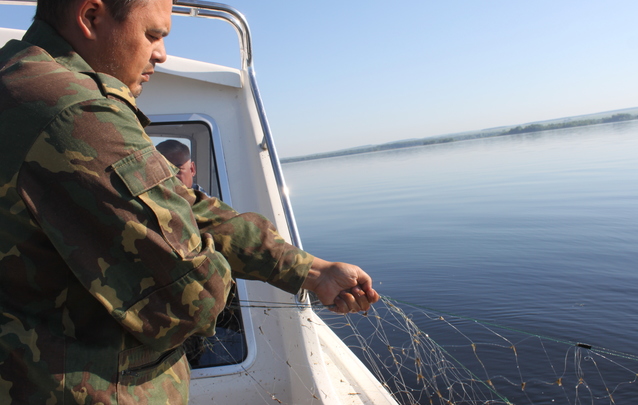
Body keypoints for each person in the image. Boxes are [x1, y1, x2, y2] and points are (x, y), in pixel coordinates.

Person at [0, 0, 379, 404]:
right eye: (152, 35)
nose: (160, 54)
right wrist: (200, 257)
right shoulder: (77, 113)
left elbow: (185, 205)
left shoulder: (17, 80)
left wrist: (312, 271)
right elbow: (194, 300)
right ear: (91, 16)